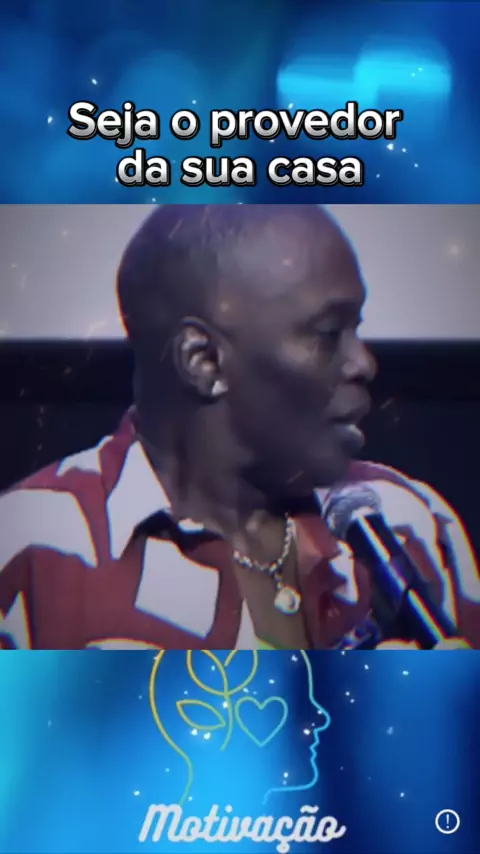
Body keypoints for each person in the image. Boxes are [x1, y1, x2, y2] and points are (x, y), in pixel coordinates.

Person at [0, 205, 478, 650]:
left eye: (358, 328)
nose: (364, 364)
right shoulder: (35, 550)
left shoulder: (412, 522)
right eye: (328, 334)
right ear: (204, 361)